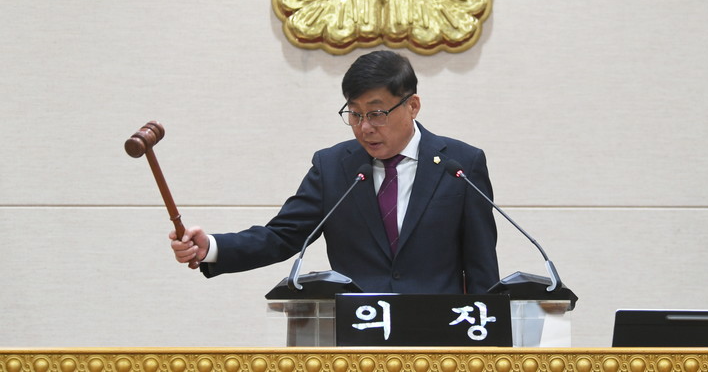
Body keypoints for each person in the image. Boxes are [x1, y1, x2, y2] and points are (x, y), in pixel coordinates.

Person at [171, 50, 499, 294]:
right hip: (356, 338)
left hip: (439, 339)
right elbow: (282, 236)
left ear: (412, 106)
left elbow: (481, 264)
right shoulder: (333, 167)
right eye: (354, 114)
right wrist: (211, 247)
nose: (365, 127)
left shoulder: (461, 165)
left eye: (377, 113)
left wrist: (490, 348)